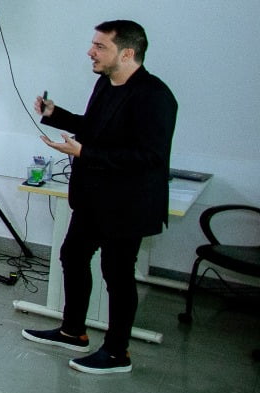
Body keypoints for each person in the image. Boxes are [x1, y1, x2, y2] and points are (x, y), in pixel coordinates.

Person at [23, 20, 177, 375]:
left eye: (100, 46)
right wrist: (55, 114)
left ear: (127, 53)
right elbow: (95, 128)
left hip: (129, 204)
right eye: (93, 44)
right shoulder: (105, 84)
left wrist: (85, 155)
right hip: (94, 198)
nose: (90, 52)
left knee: (117, 274)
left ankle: (117, 353)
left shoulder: (154, 96)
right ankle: (73, 332)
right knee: (73, 255)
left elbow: (150, 157)